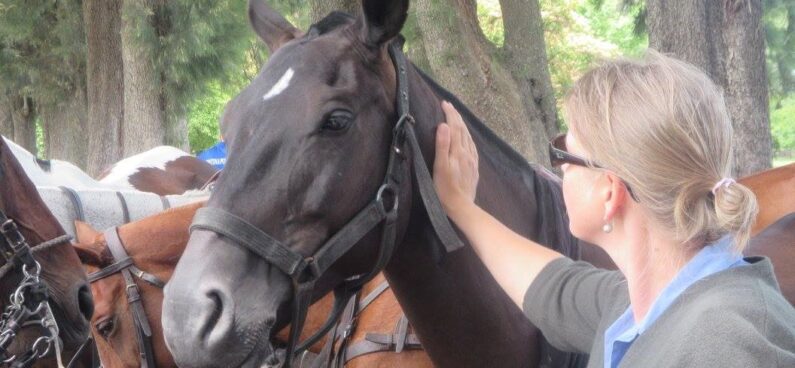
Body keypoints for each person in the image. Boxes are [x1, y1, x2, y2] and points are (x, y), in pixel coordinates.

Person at [432, 51, 795, 367]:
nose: (560, 168)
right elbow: (554, 286)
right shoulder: (645, 302)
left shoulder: (729, 347)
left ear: (609, 193)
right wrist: (461, 205)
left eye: (565, 153)